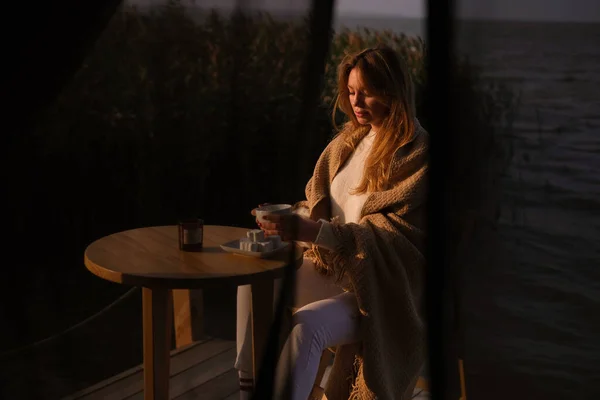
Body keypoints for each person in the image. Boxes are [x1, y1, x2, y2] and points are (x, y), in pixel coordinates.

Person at [235, 45, 429, 400]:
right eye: (351, 92)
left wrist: (316, 232)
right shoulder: (346, 143)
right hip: (331, 267)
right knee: (253, 282)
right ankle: (249, 388)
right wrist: (288, 219)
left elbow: (396, 239)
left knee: (306, 326)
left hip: (378, 288)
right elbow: (319, 205)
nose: (356, 102)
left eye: (366, 93)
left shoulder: (415, 153)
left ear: (393, 91)